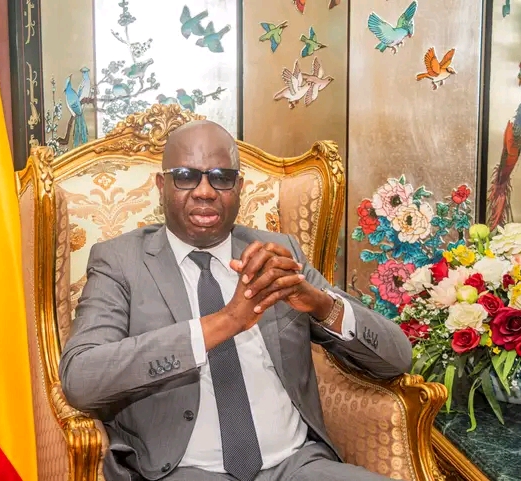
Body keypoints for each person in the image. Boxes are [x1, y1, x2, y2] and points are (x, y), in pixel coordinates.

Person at [60, 120, 413, 481]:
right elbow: (81, 379)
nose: (205, 191)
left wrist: (320, 304)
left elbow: (397, 358)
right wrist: (226, 321)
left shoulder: (279, 253)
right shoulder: (120, 262)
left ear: (239, 188)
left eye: (221, 177)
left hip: (298, 466)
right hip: (183, 471)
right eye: (186, 176)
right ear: (161, 186)